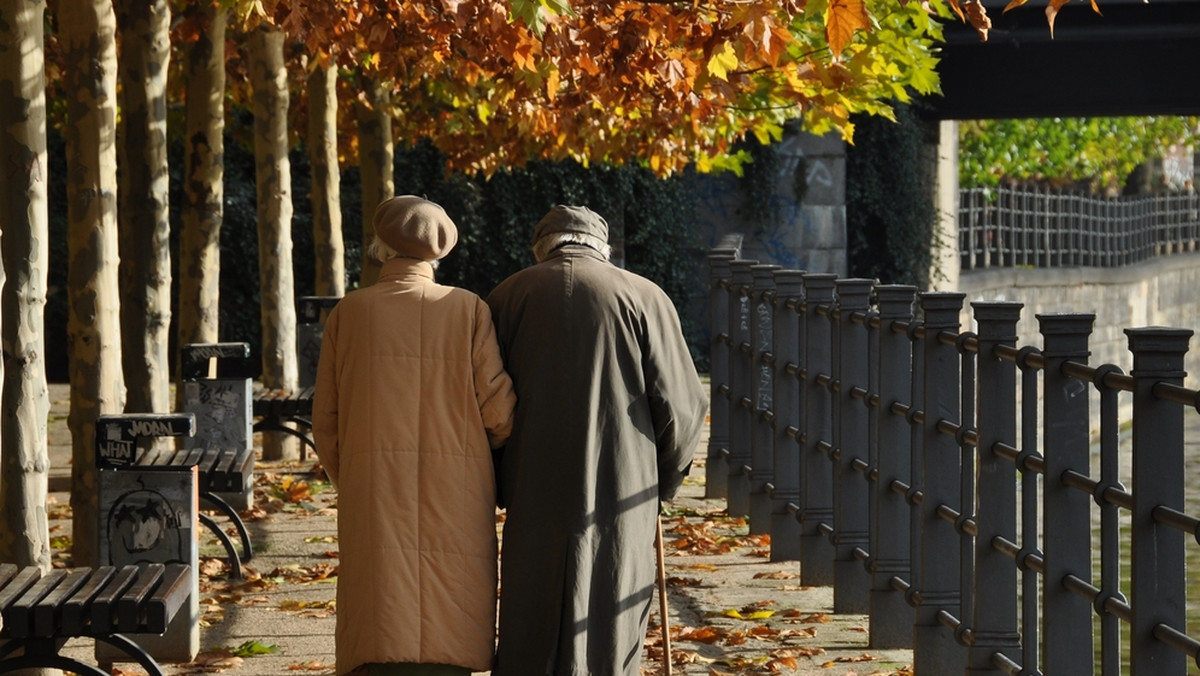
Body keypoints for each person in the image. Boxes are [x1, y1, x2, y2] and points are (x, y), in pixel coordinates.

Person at [486, 205, 708, 676]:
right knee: (612, 608)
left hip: (532, 479)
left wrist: (500, 480)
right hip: (622, 479)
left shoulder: (507, 296)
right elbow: (683, 406)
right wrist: (662, 483)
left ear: (541, 246)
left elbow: (486, 401)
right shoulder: (645, 296)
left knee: (534, 609)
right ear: (602, 248)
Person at [312, 196, 516, 676]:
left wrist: (354, 477)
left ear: (380, 247)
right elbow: (499, 413)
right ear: (439, 252)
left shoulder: (350, 313)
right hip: (457, 491)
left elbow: (327, 420)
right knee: (453, 599)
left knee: (379, 608)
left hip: (374, 487)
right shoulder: (468, 309)